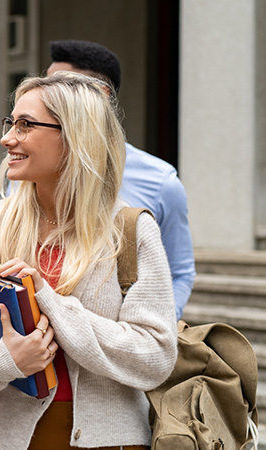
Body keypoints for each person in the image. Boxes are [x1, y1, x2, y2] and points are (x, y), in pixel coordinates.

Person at [0, 72, 178, 449]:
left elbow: (155, 357)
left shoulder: (131, 229)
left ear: (73, 136)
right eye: (10, 122)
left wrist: (46, 298)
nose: (7, 138)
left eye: (25, 125)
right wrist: (8, 360)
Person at [46, 39, 196, 320]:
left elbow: (180, 271)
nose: (44, 96)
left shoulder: (161, 182)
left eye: (58, 88)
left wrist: (155, 331)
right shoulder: (27, 173)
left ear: (101, 95)